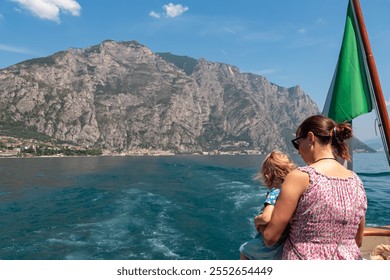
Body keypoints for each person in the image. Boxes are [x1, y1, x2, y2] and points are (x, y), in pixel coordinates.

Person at [259, 115, 367, 260]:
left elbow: (270, 238)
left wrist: (259, 225)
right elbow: (358, 241)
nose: (298, 150)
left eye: (298, 143)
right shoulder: (356, 181)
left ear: (310, 137)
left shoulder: (300, 177)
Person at [239, 150, 297, 260]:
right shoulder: (292, 192)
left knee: (243, 250)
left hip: (269, 246)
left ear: (267, 176)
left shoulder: (274, 193)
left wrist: (257, 220)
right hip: (284, 244)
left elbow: (266, 218)